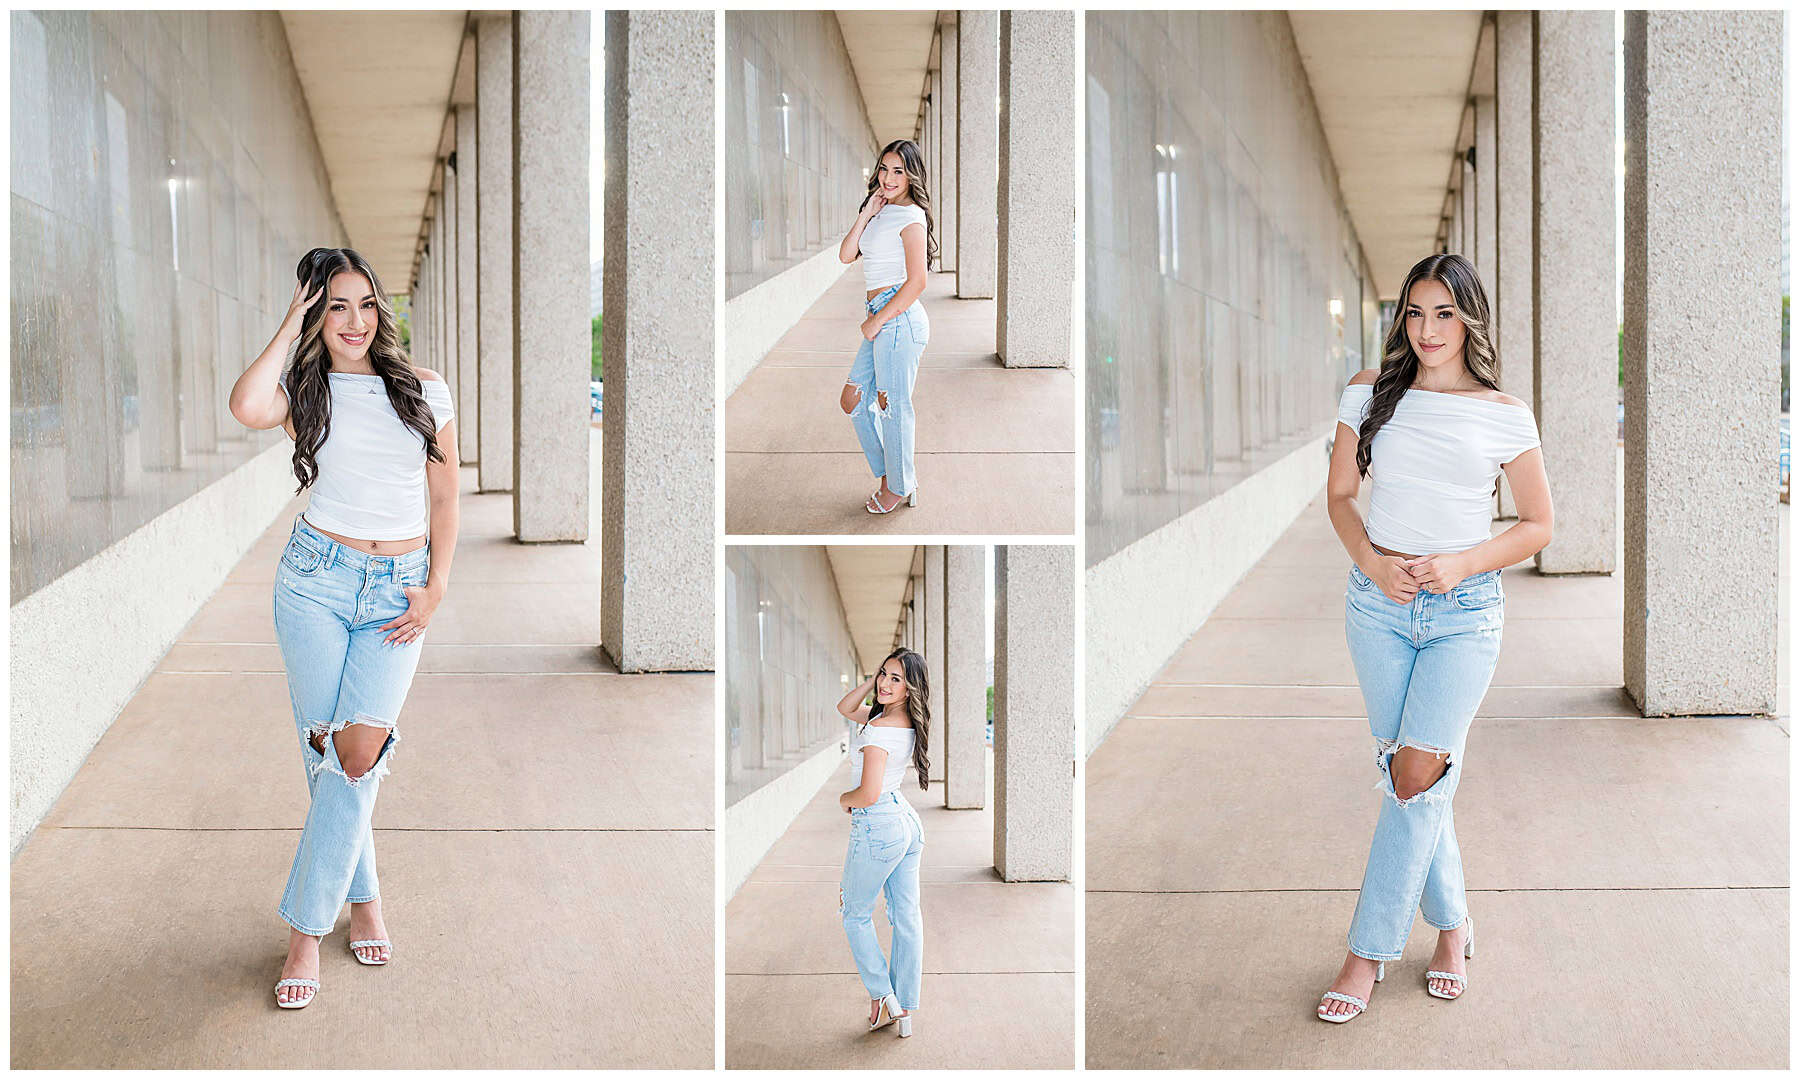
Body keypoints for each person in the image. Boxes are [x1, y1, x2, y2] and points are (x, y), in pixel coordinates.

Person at [1316, 253, 1553, 1023]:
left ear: (1470, 319)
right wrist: (1373, 565)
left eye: (1444, 313)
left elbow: (1539, 524)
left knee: (1416, 775)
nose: (1427, 330)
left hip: (1464, 614)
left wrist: (1462, 562)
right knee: (1412, 781)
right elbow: (1342, 497)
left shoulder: (1504, 413)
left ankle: (1366, 952)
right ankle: (1451, 929)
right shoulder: (1369, 394)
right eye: (1415, 313)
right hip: (1377, 608)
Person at [227, 247, 461, 1009]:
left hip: (398, 590)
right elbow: (243, 404)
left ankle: (304, 929)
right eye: (334, 306)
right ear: (316, 316)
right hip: (314, 584)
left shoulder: (424, 390)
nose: (353, 321)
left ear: (380, 311)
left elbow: (446, 498)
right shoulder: (306, 390)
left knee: (358, 754)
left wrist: (435, 590)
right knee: (328, 753)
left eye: (364, 305)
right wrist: (288, 321)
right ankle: (362, 901)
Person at [834, 648, 932, 1036]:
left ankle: (884, 996)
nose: (886, 684)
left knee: (855, 913)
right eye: (884, 674)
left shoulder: (877, 731)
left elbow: (867, 794)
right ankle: (904, 1009)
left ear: (911, 688)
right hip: (905, 822)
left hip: (879, 824)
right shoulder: (899, 720)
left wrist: (844, 801)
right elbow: (846, 707)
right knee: (906, 917)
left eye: (897, 679)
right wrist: (873, 684)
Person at [837, 139, 937, 515]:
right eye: (884, 168)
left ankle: (897, 486)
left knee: (892, 407)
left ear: (911, 175)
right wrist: (866, 212)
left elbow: (918, 282)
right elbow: (846, 254)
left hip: (898, 319)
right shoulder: (881, 211)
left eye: (899, 171)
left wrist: (877, 320)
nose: (890, 177)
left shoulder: (911, 217)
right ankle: (894, 476)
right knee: (854, 400)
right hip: (882, 318)